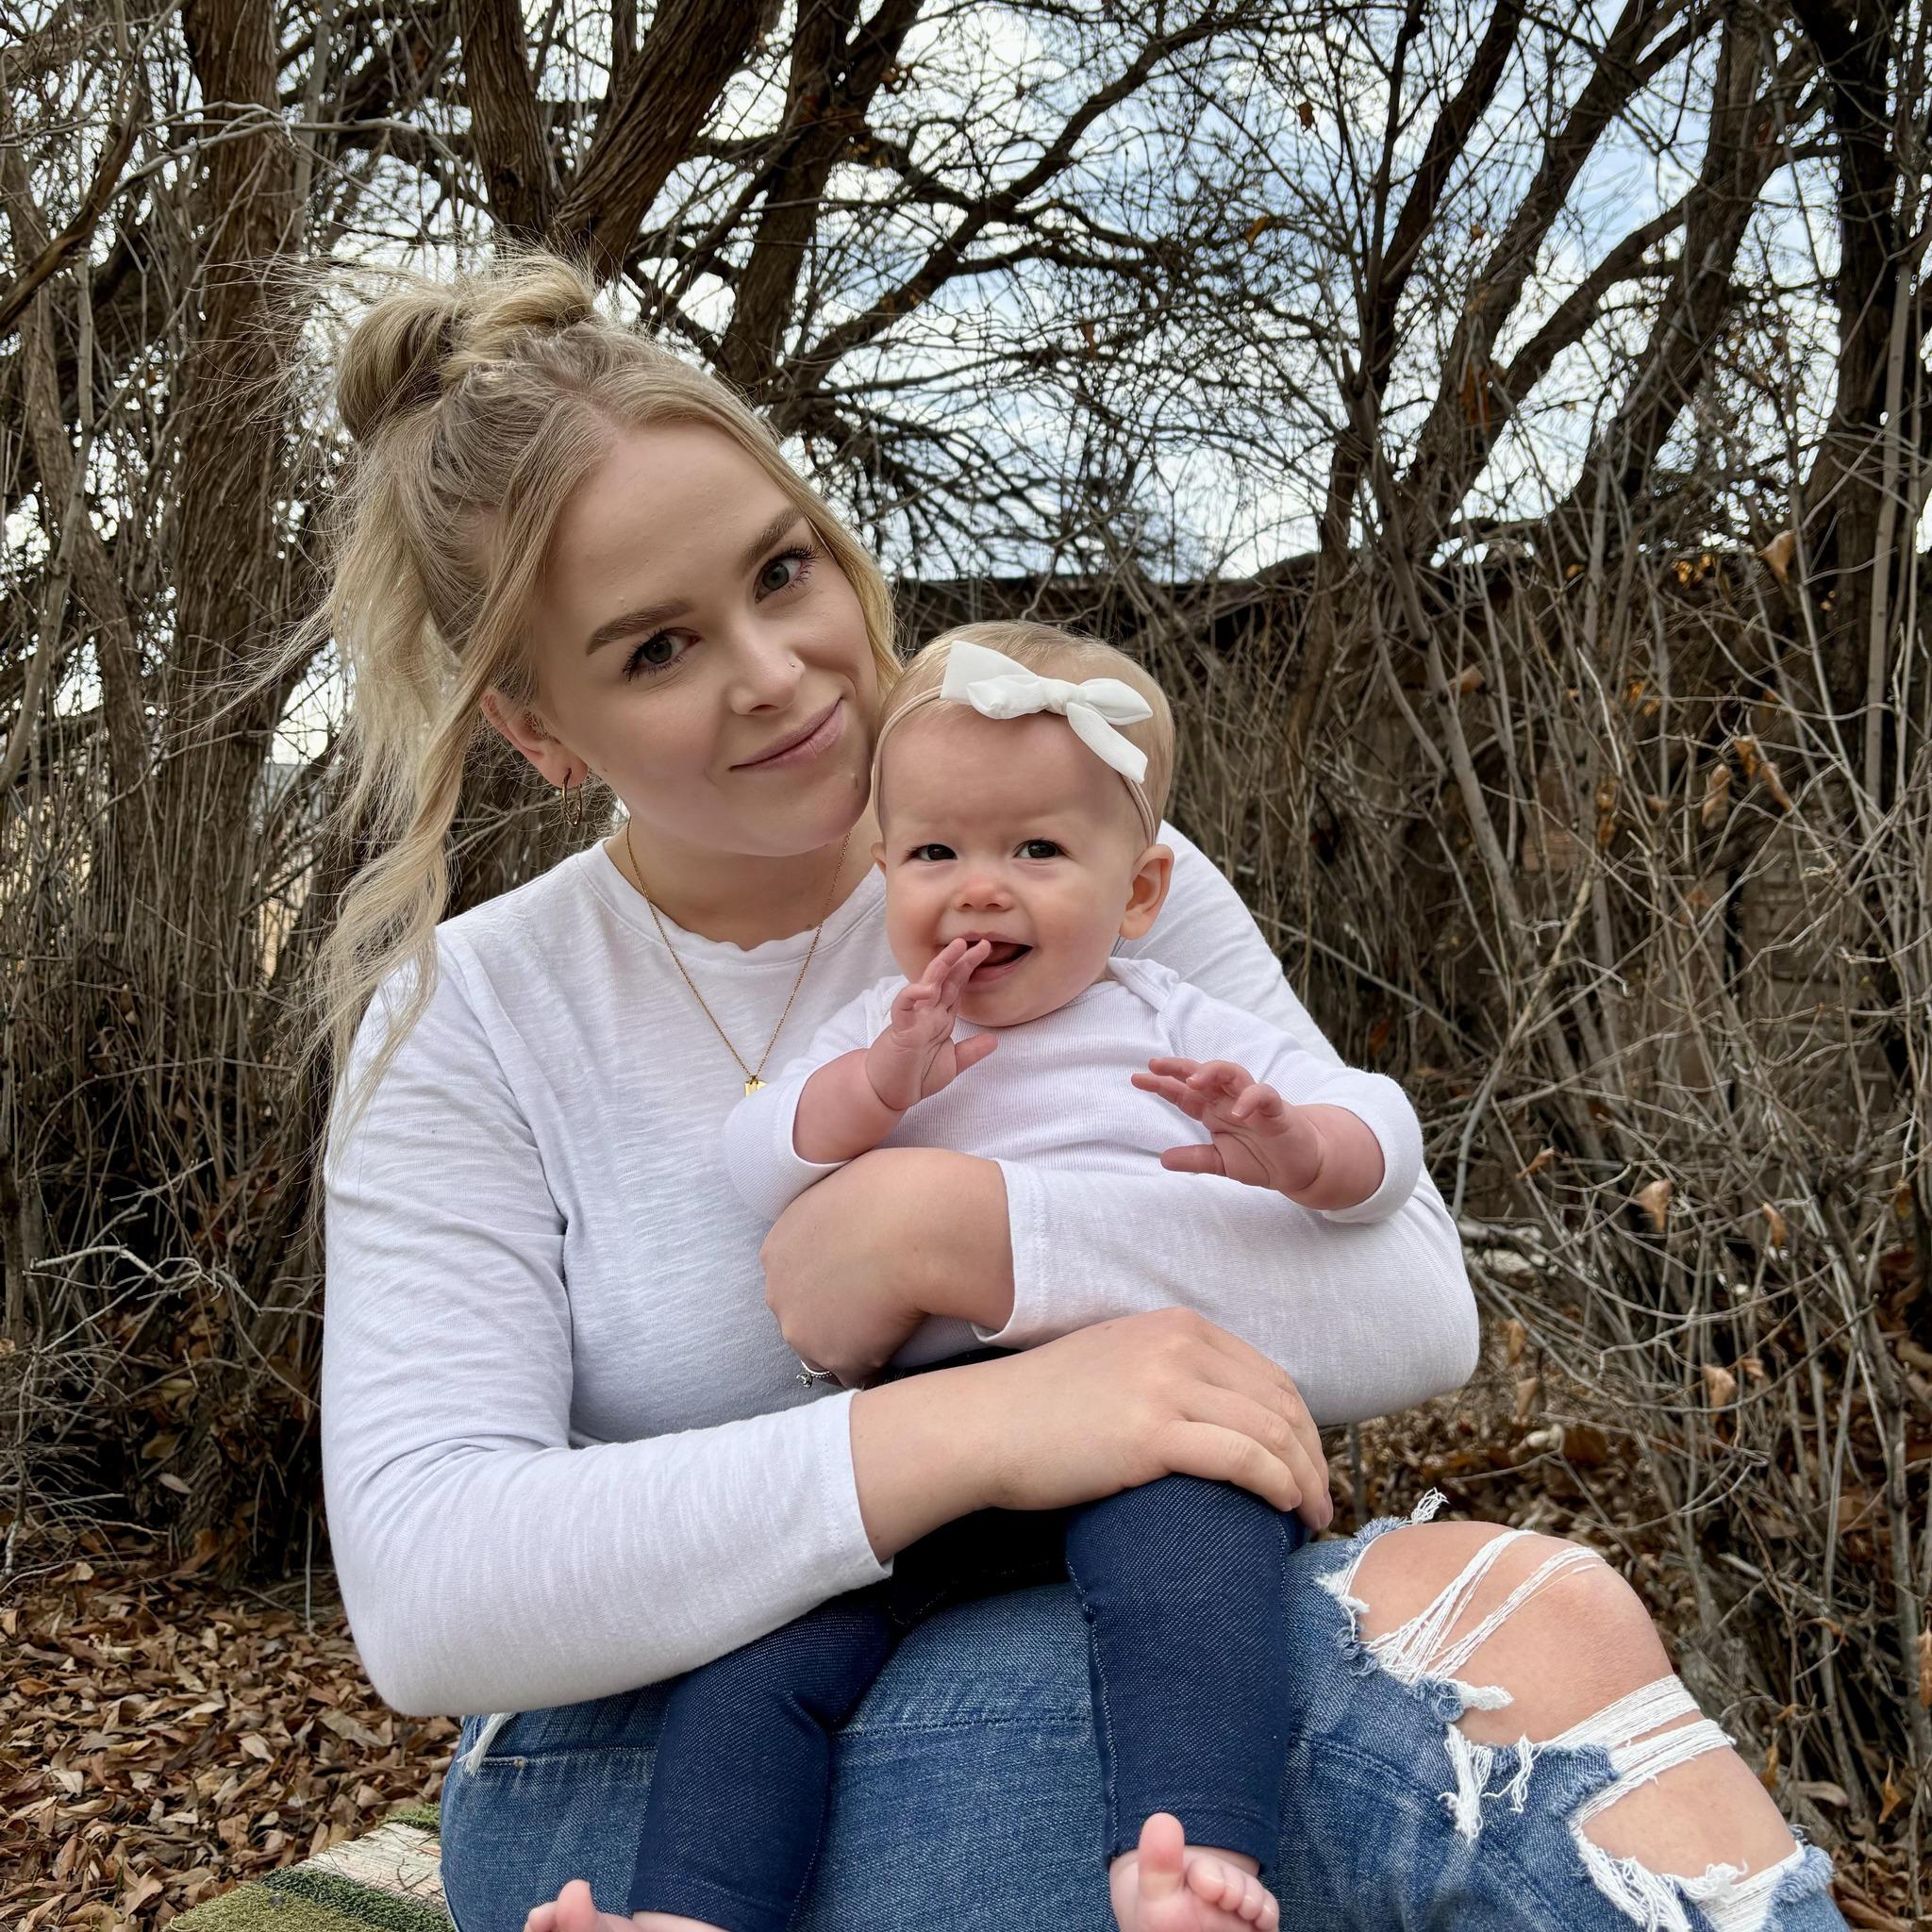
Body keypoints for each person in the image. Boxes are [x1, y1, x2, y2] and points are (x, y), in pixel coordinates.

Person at [312, 250, 1843, 1932]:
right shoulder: (471, 1014)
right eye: (660, 647)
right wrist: (985, 1421)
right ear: (539, 730)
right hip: (663, 1761)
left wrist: (965, 1234)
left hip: (1090, 1615)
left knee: (1515, 1633)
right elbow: (429, 1586)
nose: (778, 671)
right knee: (1482, 1677)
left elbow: (1412, 1301)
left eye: (783, 570)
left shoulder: (1078, 858)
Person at [608, 621, 1430, 1932]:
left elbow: (1382, 1131)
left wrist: (1296, 1145)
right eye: (936, 853)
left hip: (1146, 1427)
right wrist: (879, 1085)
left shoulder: (1169, 1017)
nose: (979, 890)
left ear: (1139, 892)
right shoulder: (881, 1035)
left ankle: (1186, 1864)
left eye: (1037, 851)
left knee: (1196, 1578)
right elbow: (756, 1158)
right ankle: (689, 1908)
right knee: (762, 1650)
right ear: (884, 869)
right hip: (930, 1446)